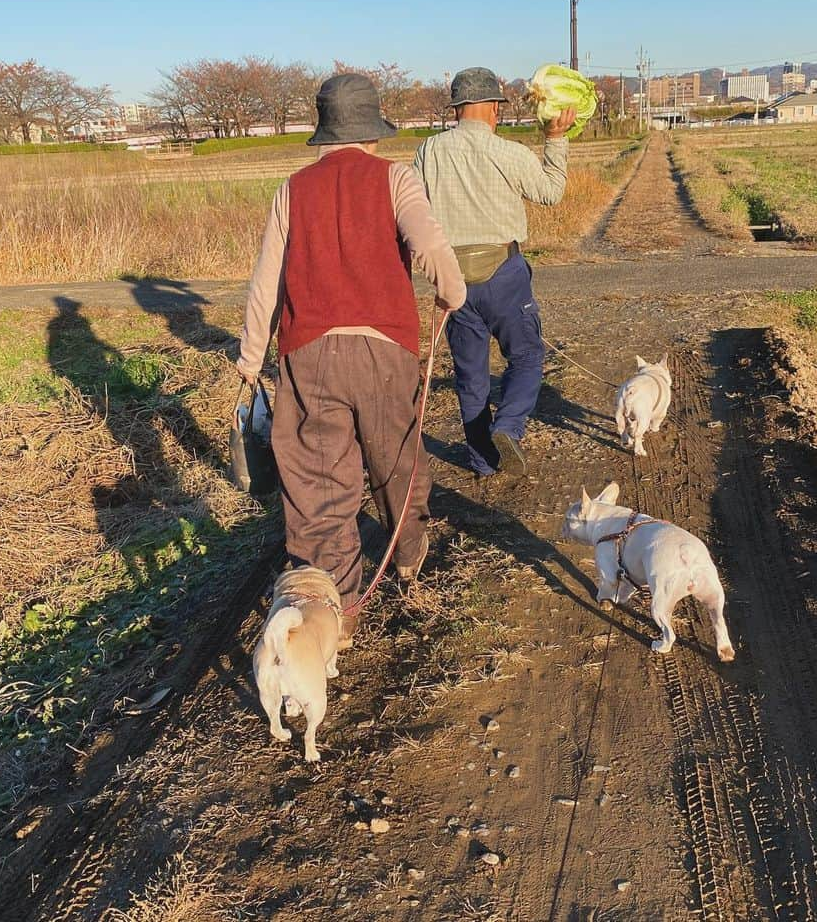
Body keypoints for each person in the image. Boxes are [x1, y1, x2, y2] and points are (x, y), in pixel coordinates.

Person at [237, 73, 466, 646]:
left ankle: (332, 611)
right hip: (385, 349)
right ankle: (409, 558)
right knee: (395, 456)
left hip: (307, 352)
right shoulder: (397, 178)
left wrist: (249, 356)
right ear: (372, 129)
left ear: (325, 131)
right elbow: (432, 246)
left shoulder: (292, 190)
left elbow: (267, 279)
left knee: (317, 480)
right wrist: (451, 292)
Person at [413, 67, 576, 477]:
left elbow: (412, 212)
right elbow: (551, 192)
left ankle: (483, 462)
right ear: (492, 109)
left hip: (452, 277)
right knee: (526, 355)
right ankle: (508, 426)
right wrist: (555, 139)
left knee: (471, 377)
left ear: (456, 110)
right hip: (503, 271)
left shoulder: (427, 152)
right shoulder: (507, 152)